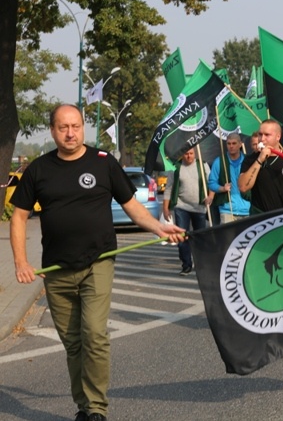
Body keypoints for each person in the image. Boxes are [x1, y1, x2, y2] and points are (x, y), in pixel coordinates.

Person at [9, 104, 185, 421]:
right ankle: (83, 405)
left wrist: (160, 227)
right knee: (73, 343)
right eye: (63, 127)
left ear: (83, 128)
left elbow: (131, 206)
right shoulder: (38, 169)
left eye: (75, 126)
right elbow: (19, 217)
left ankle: (96, 408)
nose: (70, 133)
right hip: (56, 270)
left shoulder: (103, 164)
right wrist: (21, 262)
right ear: (52, 130)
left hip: (97, 263)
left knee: (94, 334)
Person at [162, 148, 213, 275]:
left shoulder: (202, 165)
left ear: (195, 154)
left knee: (199, 236)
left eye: (191, 154)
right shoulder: (176, 167)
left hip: (199, 206)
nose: (189, 156)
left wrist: (210, 196)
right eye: (186, 154)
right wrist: (165, 208)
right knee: (182, 236)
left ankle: (200, 263)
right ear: (182, 154)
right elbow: (169, 187)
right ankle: (186, 264)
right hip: (181, 206)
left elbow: (211, 182)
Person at [208, 133, 250, 223]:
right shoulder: (219, 161)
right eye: (228, 143)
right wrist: (222, 188)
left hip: (247, 209)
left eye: (234, 143)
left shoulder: (248, 161)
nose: (231, 146)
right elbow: (211, 183)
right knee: (228, 238)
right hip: (227, 210)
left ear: (240, 144)